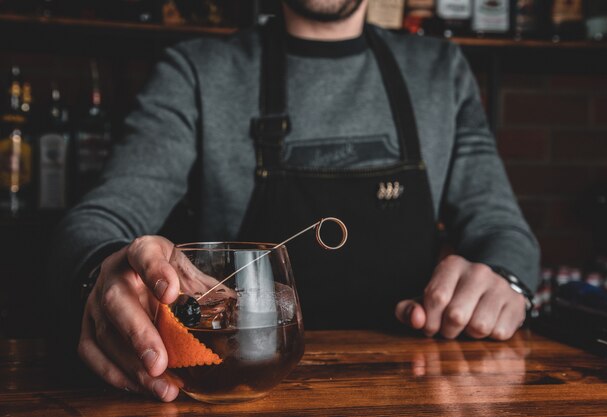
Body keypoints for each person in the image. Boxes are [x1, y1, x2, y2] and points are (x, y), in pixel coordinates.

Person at [48, 0, 540, 402]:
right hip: (243, 388)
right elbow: (96, 220)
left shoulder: (440, 71)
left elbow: (503, 229)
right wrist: (106, 276)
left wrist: (506, 282)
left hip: (415, 389)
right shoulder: (197, 71)